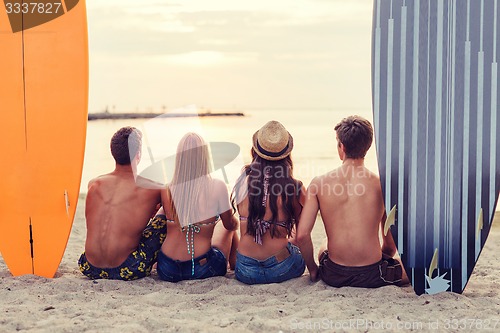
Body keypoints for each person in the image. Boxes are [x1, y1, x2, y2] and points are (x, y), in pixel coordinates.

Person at [297, 115, 405, 288]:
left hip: (333, 274)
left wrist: (313, 269)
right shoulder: (382, 186)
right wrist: (382, 256)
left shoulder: (318, 183)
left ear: (342, 146)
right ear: (367, 147)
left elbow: (302, 235)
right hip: (372, 274)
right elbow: (390, 246)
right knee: (408, 267)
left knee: (324, 245)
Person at [79, 126, 166, 280]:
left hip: (88, 266)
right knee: (164, 216)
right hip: (128, 267)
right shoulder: (153, 188)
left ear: (114, 153)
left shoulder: (94, 183)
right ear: (138, 155)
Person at [156, 133, 239, 282]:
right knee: (228, 229)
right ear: (204, 157)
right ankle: (235, 266)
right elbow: (229, 224)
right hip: (201, 268)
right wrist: (234, 219)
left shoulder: (166, 188)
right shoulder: (217, 186)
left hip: (167, 268)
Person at [232, 120, 306, 284]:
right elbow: (302, 235)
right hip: (281, 267)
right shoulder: (295, 187)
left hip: (245, 269)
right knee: (296, 251)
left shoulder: (242, 181)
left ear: (255, 151)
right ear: (287, 155)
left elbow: (244, 228)